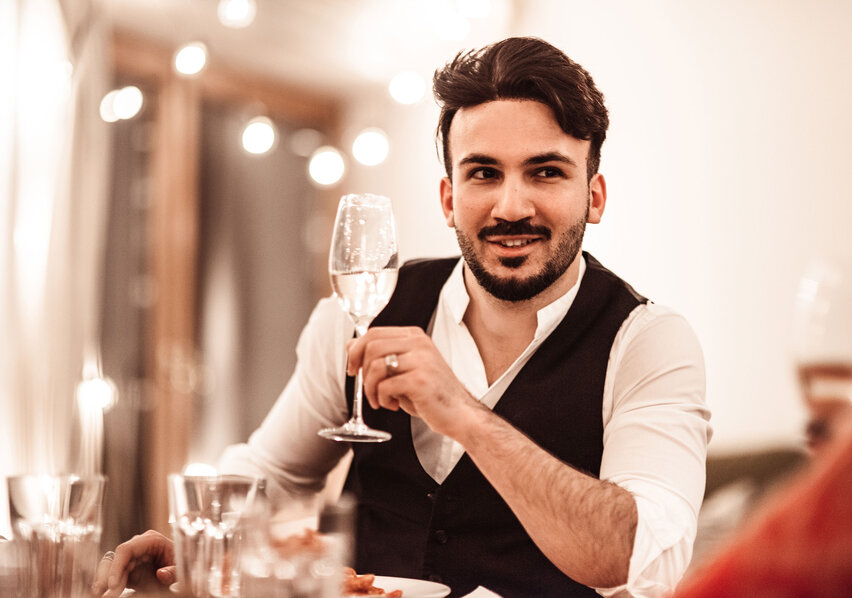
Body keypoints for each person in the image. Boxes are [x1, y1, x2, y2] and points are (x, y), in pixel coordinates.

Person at [93, 36, 711, 598]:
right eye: (483, 173)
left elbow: (640, 558)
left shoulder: (650, 343)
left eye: (545, 172)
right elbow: (276, 472)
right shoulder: (360, 315)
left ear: (594, 195)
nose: (511, 205)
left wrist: (463, 413)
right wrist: (200, 541)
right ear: (449, 199)